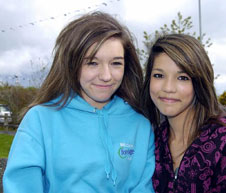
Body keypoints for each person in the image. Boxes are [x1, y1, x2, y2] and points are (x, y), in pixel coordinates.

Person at [3, 12, 155, 193]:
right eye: (92, 63)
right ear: (71, 64)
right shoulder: (40, 120)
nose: (106, 76)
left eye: (116, 63)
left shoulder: (141, 126)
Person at [141, 34, 226, 193]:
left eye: (182, 77)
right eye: (158, 75)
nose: (168, 87)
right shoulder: (153, 141)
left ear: (199, 82)